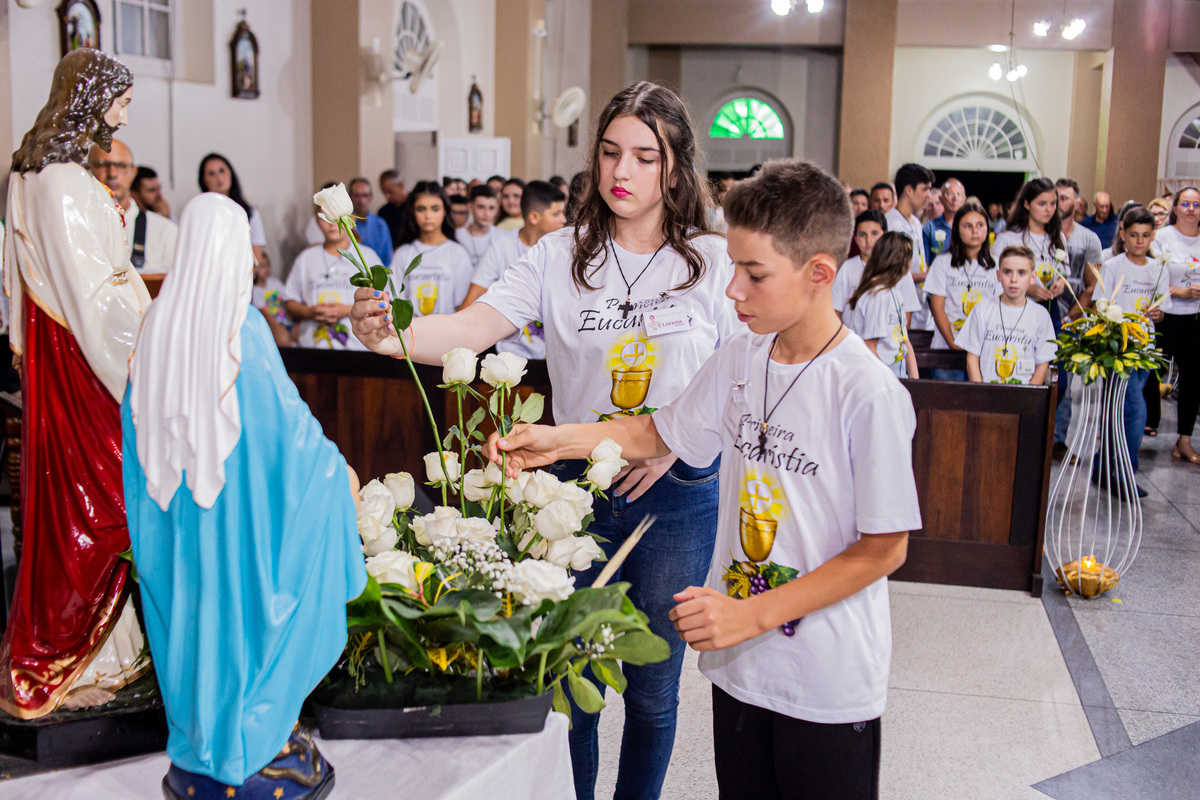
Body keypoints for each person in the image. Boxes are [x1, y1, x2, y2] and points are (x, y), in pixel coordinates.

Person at [487, 159, 920, 800]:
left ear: (819, 273)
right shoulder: (741, 356)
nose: (732, 289)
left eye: (754, 273)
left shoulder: (866, 391)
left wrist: (751, 615)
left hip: (823, 678)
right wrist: (553, 442)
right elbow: (655, 433)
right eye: (733, 267)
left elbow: (885, 547)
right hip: (740, 668)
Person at [350, 81, 735, 800]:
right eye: (610, 152)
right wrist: (390, 333)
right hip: (571, 488)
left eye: (645, 157)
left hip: (678, 490)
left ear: (676, 168)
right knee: (567, 682)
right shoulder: (561, 253)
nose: (622, 172)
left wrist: (673, 443)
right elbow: (471, 328)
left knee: (653, 689)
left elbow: (739, 374)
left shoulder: (712, 260)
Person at [123, 192, 364, 800]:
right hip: (237, 527)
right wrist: (336, 471)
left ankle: (200, 748)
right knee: (244, 632)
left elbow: (133, 430)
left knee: (191, 632)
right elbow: (290, 434)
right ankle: (251, 748)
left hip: (175, 525)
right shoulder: (243, 329)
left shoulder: (154, 324)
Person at [1, 48, 152, 719]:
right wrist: (147, 352)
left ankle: (111, 655)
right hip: (86, 365)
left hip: (73, 357)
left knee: (94, 504)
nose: (124, 116)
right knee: (94, 506)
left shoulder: (46, 172)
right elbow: (91, 294)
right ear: (90, 98)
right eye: (119, 102)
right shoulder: (58, 181)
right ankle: (68, 659)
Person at [1078, 206, 1170, 496]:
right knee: (1133, 408)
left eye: (1145, 235)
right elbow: (1100, 305)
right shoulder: (1113, 265)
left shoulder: (1158, 268)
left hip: (1145, 347)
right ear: (1123, 235)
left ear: (1152, 236)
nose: (1139, 241)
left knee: (1120, 408)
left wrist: (1157, 315)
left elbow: (1161, 311)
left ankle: (1103, 464)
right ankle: (1124, 469)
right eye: (1134, 235)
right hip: (1117, 346)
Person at [459, 180, 566, 359]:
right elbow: (475, 293)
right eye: (556, 214)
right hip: (504, 353)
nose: (563, 219)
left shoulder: (564, 249)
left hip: (550, 356)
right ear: (534, 217)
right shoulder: (502, 244)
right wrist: (456, 342)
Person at [283, 184, 380, 350]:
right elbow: (290, 300)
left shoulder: (368, 256)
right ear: (317, 221)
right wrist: (309, 312)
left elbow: (383, 300)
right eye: (326, 216)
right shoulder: (306, 258)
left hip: (358, 348)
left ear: (352, 219)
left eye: (337, 217)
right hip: (313, 347)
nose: (332, 223)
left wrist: (348, 309)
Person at [1051, 178, 1103, 456]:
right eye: (1056, 197)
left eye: (1065, 198)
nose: (1060, 203)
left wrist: (1072, 316)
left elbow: (1092, 285)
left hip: (1072, 315)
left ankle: (1058, 439)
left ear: (1077, 203)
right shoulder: (1044, 234)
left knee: (1066, 380)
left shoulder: (1088, 238)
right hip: (1044, 311)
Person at [924, 201, 1001, 380]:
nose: (975, 231)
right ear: (957, 229)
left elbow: (998, 307)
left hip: (985, 350)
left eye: (980, 225)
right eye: (968, 226)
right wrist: (952, 342)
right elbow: (937, 307)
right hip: (947, 349)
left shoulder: (996, 264)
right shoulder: (943, 262)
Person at [959, 246, 1057, 385]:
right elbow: (972, 359)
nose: (1013, 279)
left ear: (1033, 277)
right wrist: (980, 393)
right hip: (986, 392)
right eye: (1007, 272)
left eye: (1021, 273)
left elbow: (1042, 364)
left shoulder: (1040, 315)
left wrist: (1030, 395)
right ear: (998, 275)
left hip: (1024, 394)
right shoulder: (982, 310)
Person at [1153, 186, 1200, 464]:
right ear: (1175, 207)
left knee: (1193, 378)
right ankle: (1134, 429)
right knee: (1152, 374)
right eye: (1186, 204)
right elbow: (1151, 277)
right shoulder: (1162, 237)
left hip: (1196, 318)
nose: (1191, 209)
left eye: (1196, 205)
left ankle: (1184, 440)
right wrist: (1181, 291)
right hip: (1167, 315)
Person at [89, 138, 178, 272]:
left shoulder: (165, 231)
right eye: (102, 164)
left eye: (121, 166)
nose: (112, 174)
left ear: (133, 173)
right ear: (87, 170)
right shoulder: (74, 228)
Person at [844, 232, 920, 379]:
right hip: (879, 377)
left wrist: (915, 379)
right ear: (899, 259)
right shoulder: (878, 296)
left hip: (896, 374)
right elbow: (870, 347)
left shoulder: (893, 291)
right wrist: (889, 382)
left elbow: (904, 339)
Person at [393, 181, 474, 317]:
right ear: (413, 212)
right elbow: (394, 301)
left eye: (435, 209)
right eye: (421, 209)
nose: (428, 216)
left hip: (447, 328)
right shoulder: (403, 254)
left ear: (445, 211)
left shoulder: (457, 253)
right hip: (410, 328)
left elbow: (464, 305)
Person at [832, 209, 920, 323]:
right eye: (862, 235)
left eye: (874, 233)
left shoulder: (898, 268)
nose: (868, 240)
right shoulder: (847, 268)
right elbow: (836, 310)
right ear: (855, 238)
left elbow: (906, 314)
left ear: (885, 235)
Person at [885, 163, 935, 330]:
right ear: (909, 190)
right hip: (900, 308)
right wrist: (929, 275)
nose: (929, 195)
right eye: (925, 189)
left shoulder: (916, 223)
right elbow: (892, 273)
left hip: (920, 308)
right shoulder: (892, 224)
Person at [198, 152, 265, 263]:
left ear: (230, 173)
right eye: (211, 174)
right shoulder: (199, 213)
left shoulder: (249, 213)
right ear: (204, 180)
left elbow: (256, 257)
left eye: (221, 171)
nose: (218, 177)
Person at [251, 250, 296, 348]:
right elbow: (265, 314)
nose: (266, 269)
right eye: (262, 266)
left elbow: (289, 300)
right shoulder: (254, 290)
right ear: (255, 269)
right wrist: (278, 327)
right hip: (272, 325)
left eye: (268, 265)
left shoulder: (275, 283)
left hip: (286, 322)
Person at [348, 176, 393, 268]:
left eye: (365, 195)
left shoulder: (380, 224)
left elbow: (388, 259)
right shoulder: (344, 224)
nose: (361, 200)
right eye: (357, 196)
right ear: (350, 196)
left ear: (371, 196)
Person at [456, 184, 500, 269]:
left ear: (496, 209)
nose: (487, 213)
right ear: (470, 207)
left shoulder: (502, 236)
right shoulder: (457, 236)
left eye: (491, 208)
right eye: (481, 207)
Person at [922, 178, 965, 264]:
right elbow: (925, 263)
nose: (955, 198)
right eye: (950, 194)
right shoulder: (929, 228)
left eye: (959, 194)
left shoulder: (972, 226)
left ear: (964, 199)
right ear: (941, 199)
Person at [378, 168, 408, 248]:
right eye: (384, 192)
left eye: (390, 192)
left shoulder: (415, 207)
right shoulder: (384, 212)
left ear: (400, 186)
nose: (387, 196)